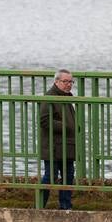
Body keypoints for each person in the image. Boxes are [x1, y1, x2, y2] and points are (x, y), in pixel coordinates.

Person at [39, 69, 76, 210]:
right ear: (56, 81)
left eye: (70, 81)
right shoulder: (50, 97)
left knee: (68, 176)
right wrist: (65, 126)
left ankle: (66, 207)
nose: (68, 84)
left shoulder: (66, 97)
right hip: (53, 147)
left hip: (67, 146)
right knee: (50, 176)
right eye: (65, 81)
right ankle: (39, 204)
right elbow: (44, 120)